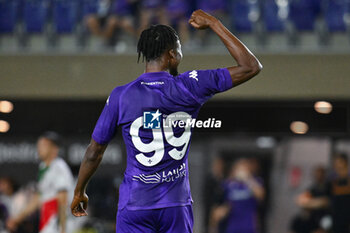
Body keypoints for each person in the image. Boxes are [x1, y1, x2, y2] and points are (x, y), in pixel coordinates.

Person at [70, 9, 262, 233]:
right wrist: (213, 23)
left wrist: (79, 191)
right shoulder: (191, 85)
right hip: (175, 206)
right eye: (180, 50)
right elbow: (251, 66)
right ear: (172, 55)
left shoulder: (121, 95)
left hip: (135, 206)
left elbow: (95, 151)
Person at [6, 132, 75, 233]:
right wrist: (17, 219)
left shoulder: (59, 167)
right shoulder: (43, 167)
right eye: (39, 145)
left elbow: (63, 199)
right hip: (48, 220)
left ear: (54, 149)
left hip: (58, 222)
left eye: (44, 145)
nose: (39, 148)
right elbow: (38, 198)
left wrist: (62, 229)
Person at [298, 153, 350, 233]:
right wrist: (309, 202)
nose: (337, 167)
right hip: (334, 222)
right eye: (335, 164)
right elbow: (323, 200)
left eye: (339, 163)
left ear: (345, 163)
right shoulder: (332, 183)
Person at [210, 159, 265, 233]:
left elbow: (261, 195)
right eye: (238, 169)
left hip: (249, 227)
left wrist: (247, 179)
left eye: (243, 169)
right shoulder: (228, 185)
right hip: (232, 227)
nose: (241, 172)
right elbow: (221, 204)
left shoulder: (255, 182)